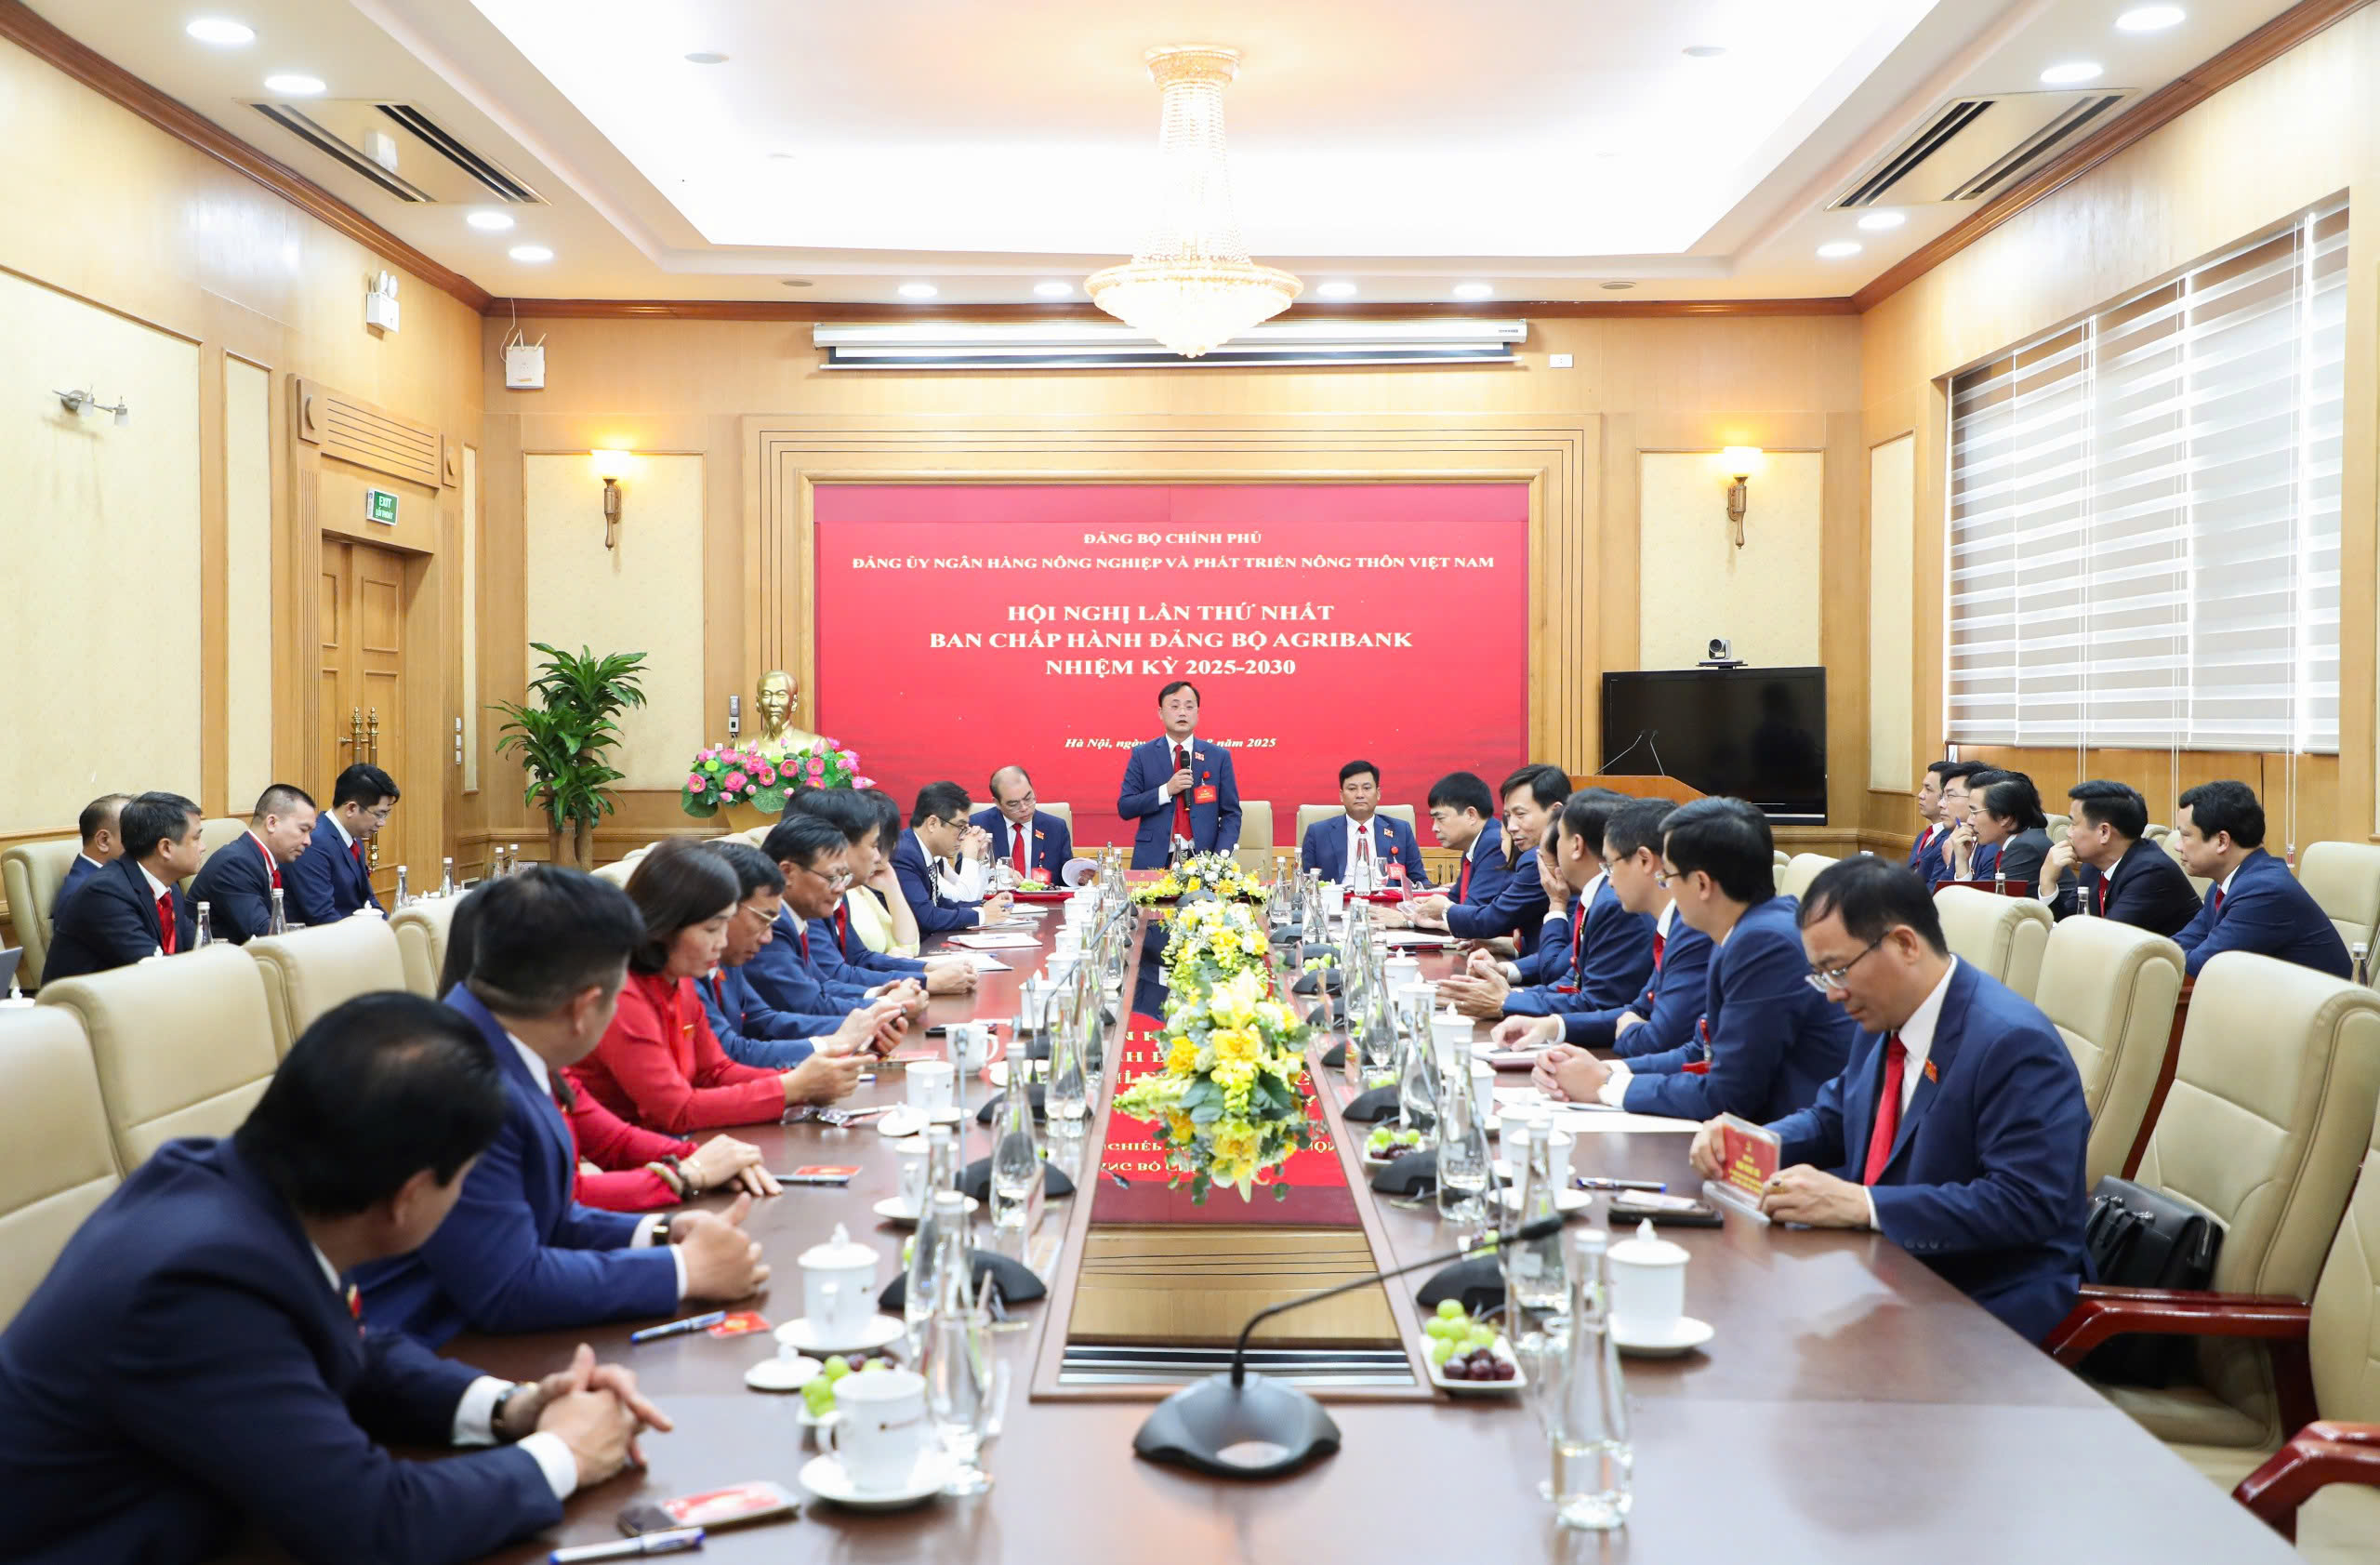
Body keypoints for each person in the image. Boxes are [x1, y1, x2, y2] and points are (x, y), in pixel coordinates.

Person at [0, 991, 668, 1565]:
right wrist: (565, 1453)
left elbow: (346, 1347)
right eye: (464, 1181)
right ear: (409, 1197)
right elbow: (375, 1526)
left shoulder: (224, 1181)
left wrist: (512, 1407)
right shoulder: (200, 1287)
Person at [356, 866, 772, 1344]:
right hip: (428, 1346)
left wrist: (662, 1233)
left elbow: (549, 1215)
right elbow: (509, 1288)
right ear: (582, 1008)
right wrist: (683, 1270)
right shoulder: (459, 1085)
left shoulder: (503, 1035)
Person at [1689, 856, 2091, 1343]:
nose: (1832, 995)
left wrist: (1864, 1204)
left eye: (1838, 970)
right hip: (1884, 1271)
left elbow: (2025, 1203)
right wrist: (1746, 1140)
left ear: (1904, 944)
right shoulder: (1886, 1016)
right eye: (1821, 976)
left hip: (1982, 1298)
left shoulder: (2011, 1043)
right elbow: (1832, 1119)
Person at [438, 882, 779, 1214]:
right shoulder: (470, 1083)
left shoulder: (530, 1043)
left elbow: (612, 1141)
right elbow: (557, 1204)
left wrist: (703, 1159)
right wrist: (685, 1175)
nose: (619, 1004)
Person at [1538, 797, 1855, 1122]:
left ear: (1702, 884)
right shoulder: (1739, 930)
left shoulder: (1764, 945)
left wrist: (1605, 1087)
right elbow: (1700, 1051)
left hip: (1789, 1139)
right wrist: (1606, 1071)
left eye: (1668, 877)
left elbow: (1727, 1094)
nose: (1665, 888)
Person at [571, 841, 867, 1134]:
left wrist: (804, 1083)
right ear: (667, 923)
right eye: (712, 929)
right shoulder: (622, 992)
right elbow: (676, 1111)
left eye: (725, 926)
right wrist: (790, 1087)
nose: (722, 942)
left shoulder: (681, 980)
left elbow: (716, 1071)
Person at [1500, 798, 1714, 1070]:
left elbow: (1658, 1040)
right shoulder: (1675, 925)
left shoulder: (1692, 931)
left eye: (1611, 866)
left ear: (1646, 860)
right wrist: (1551, 1025)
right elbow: (1635, 1010)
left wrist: (1609, 1070)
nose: (1610, 880)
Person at [1441, 789, 1653, 1020]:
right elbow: (1570, 980)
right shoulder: (1597, 895)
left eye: (1558, 839)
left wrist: (1506, 1001)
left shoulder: (1613, 903)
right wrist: (1510, 994)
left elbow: (1586, 996)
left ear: (1576, 845)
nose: (1547, 851)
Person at [699, 838, 901, 1068]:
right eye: (762, 919)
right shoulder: (692, 967)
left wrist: (867, 1024)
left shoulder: (727, 955)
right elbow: (728, 1053)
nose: (767, 937)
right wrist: (833, 1043)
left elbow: (762, 1020)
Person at [783, 792, 977, 995]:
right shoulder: (803, 900)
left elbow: (860, 958)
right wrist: (927, 982)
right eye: (874, 845)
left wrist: (928, 969)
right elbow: (831, 979)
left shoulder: (836, 890)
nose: (879, 857)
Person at [2170, 780, 2351, 978]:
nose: (2178, 846)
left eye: (2185, 835)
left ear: (2222, 841)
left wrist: (2159, 960)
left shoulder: (2264, 892)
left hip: (2312, 998)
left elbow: (2203, 967)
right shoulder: (2225, 885)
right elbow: (2177, 946)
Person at [41, 790, 203, 980]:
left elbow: (197, 947)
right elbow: (152, 968)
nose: (203, 847)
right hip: (90, 998)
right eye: (196, 838)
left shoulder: (168, 887)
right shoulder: (105, 893)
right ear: (165, 848)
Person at [1408, 764, 1563, 953]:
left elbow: (1489, 919)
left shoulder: (1534, 857)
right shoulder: (1473, 846)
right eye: (1508, 816)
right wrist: (1502, 946)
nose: (1511, 827)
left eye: (1520, 814)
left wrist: (1443, 910)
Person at [2040, 780, 2200, 935]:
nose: (2068, 832)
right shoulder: (2093, 866)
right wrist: (2047, 882)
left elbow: (2107, 939)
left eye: (2073, 824)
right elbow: (2066, 925)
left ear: (2104, 832)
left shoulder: (2152, 873)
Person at [1117, 680, 1242, 869]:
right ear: (1160, 713)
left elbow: (1231, 814)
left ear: (1198, 713)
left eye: (1189, 707)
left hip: (1205, 860)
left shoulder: (1218, 756)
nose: (1182, 712)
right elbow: (1126, 807)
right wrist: (1166, 790)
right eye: (1175, 706)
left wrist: (1220, 859)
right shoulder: (1142, 755)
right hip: (1154, 859)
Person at [188, 784, 318, 943]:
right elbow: (266, 935)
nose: (308, 841)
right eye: (303, 830)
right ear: (272, 823)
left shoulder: (271, 860)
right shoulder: (235, 865)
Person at [892, 781, 1014, 935]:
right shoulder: (903, 854)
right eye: (960, 827)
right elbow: (925, 917)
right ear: (932, 823)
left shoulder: (921, 850)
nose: (963, 837)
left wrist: (985, 905)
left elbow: (940, 903)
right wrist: (982, 915)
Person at [286, 763, 398, 924]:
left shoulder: (354, 836)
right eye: (379, 814)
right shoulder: (313, 843)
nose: (382, 823)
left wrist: (391, 929)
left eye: (386, 815)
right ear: (351, 808)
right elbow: (322, 916)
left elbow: (368, 899)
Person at [1299, 760, 1428, 888]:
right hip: (1337, 899)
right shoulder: (1317, 833)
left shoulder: (1401, 830)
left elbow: (1420, 881)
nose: (1360, 795)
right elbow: (1307, 884)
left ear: (1378, 794)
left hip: (1387, 898)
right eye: (1352, 789)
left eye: (1366, 788)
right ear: (1341, 796)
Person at [971, 765, 1075, 885]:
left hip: (1043, 897)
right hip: (997, 896)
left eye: (1028, 798)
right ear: (997, 803)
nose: (1024, 808)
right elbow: (963, 871)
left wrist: (1078, 877)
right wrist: (997, 872)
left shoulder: (1056, 828)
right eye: (1013, 804)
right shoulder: (979, 825)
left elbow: (1067, 878)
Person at [1970, 775, 2053, 893]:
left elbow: (2000, 901)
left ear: (2004, 817)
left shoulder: (2025, 848)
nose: (1969, 821)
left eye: (1974, 812)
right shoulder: (2012, 844)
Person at [53, 791, 130, 914]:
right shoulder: (91, 895)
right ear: (103, 841)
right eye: (135, 834)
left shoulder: (115, 879)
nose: (144, 842)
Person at [1942, 768, 2010, 881]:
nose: (1941, 804)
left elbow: (1983, 891)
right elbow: (1942, 887)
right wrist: (1960, 861)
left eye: (1950, 796)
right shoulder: (1960, 839)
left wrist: (1961, 865)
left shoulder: (1994, 846)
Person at [1906, 761, 1956, 888]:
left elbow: (1934, 890)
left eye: (1928, 789)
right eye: (1923, 788)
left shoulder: (1950, 841)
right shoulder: (1923, 836)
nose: (1920, 795)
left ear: (1945, 796)